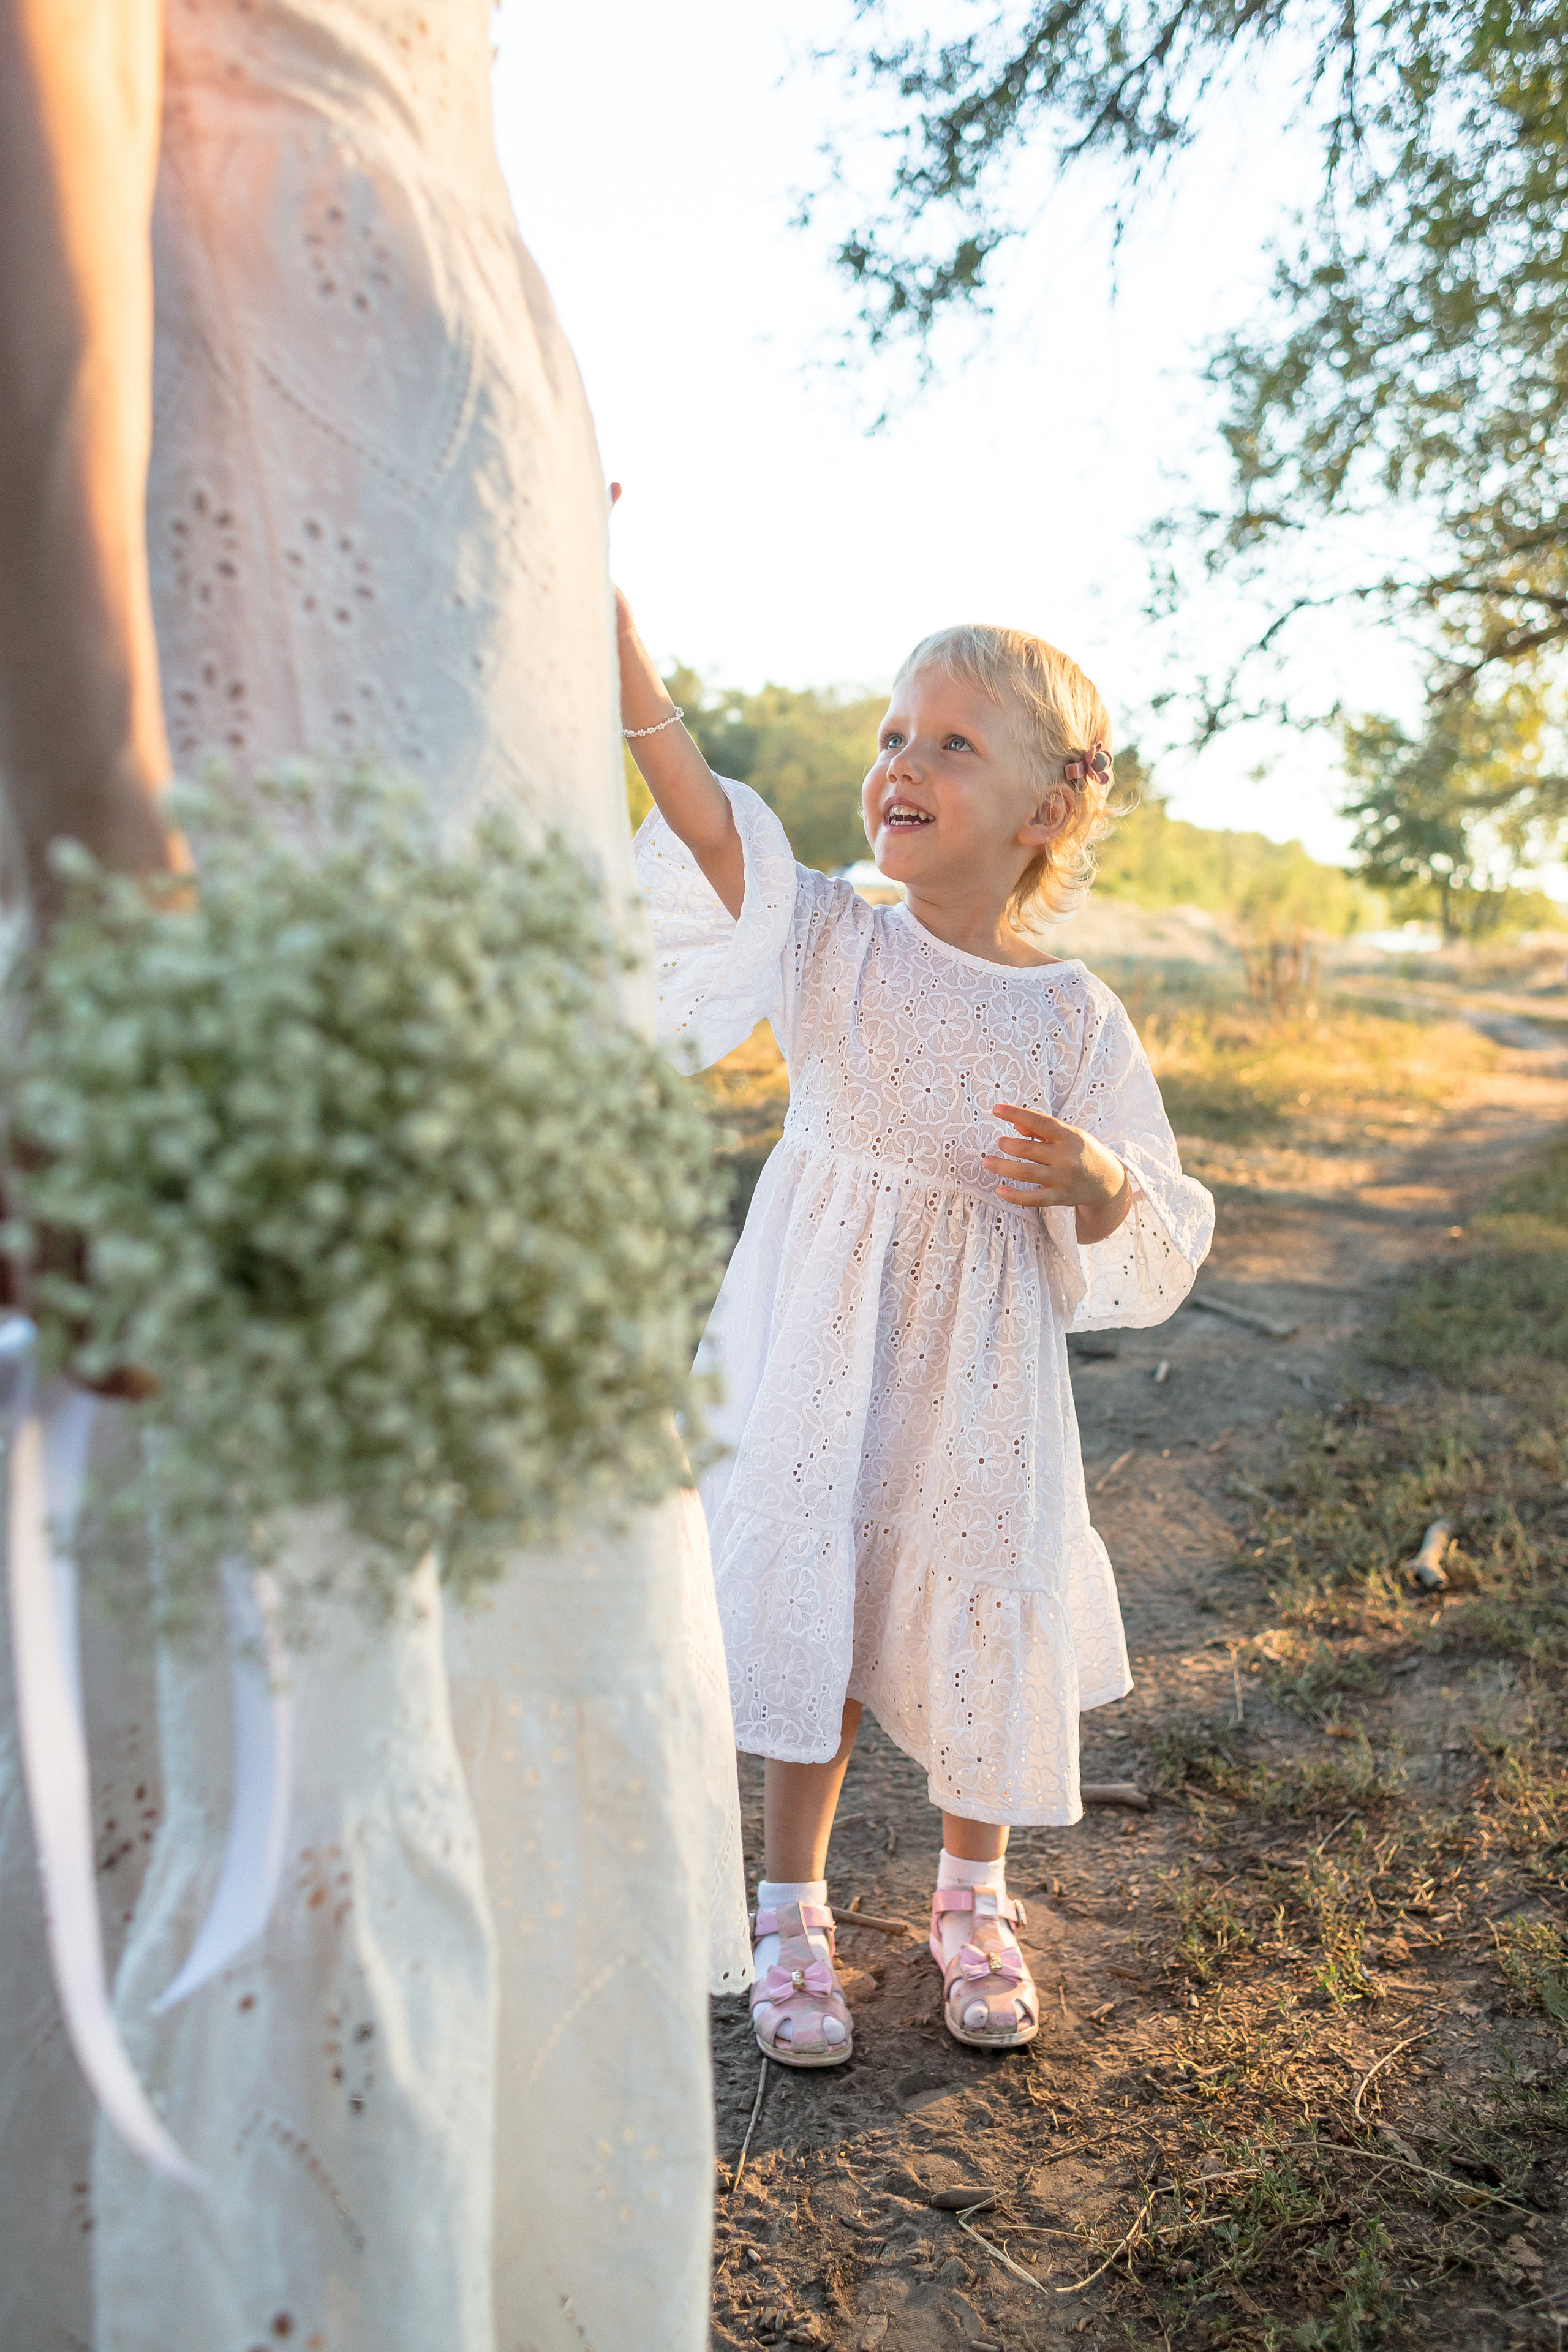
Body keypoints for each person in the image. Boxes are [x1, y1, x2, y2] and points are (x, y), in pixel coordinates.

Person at [0, 6, 745, 2348]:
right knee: (286, 1598)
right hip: (270, 564)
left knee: (455, 1558)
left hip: (456, 588)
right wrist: (104, 858)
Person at [619, 603, 1215, 2063]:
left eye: (951, 742)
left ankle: (970, 1893)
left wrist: (1094, 1180)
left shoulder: (1074, 1017)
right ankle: (789, 1908)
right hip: (815, 1351)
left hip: (979, 1382)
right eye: (893, 734)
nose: (901, 762)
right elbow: (704, 821)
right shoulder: (826, 935)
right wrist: (614, 630)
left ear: (1052, 800)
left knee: (975, 1599)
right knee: (802, 1599)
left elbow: (1148, 1225)